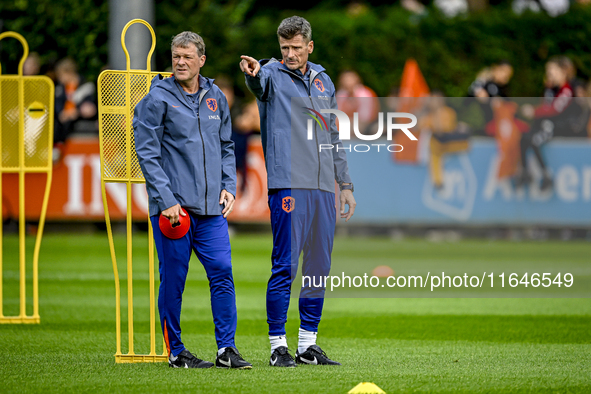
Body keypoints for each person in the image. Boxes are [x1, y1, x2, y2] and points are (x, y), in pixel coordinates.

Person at [240, 16, 356, 367]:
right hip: (289, 183)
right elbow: (258, 86)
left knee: (318, 267)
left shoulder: (323, 80)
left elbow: (333, 135)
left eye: (295, 47)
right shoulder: (271, 74)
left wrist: (345, 184)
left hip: (323, 187)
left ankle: (307, 345)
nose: (289, 54)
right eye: (284, 47)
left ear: (309, 46)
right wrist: (252, 74)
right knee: (285, 266)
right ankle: (278, 347)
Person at [133, 31, 252, 369]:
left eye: (187, 57)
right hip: (175, 212)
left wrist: (228, 184)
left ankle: (226, 350)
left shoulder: (216, 97)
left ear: (202, 60)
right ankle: (176, 351)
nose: (180, 62)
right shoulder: (157, 98)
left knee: (223, 273)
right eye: (176, 56)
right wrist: (166, 200)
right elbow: (147, 152)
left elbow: (227, 146)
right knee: (174, 280)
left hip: (212, 211)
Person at [519, 56, 574, 191]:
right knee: (523, 139)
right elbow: (545, 105)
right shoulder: (550, 88)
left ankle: (547, 175)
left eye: (552, 70)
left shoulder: (566, 90)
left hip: (554, 126)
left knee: (534, 141)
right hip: (542, 123)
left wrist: (534, 111)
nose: (549, 73)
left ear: (562, 71)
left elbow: (554, 110)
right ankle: (525, 172)